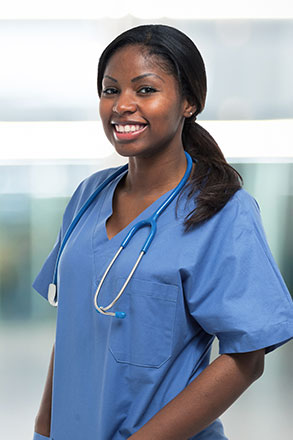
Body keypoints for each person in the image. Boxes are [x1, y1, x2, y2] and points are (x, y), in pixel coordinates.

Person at [33, 24, 293, 440]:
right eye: (110, 90)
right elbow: (73, 329)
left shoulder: (221, 209)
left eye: (145, 90)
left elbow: (247, 355)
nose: (122, 105)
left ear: (189, 102)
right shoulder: (87, 196)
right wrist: (43, 432)